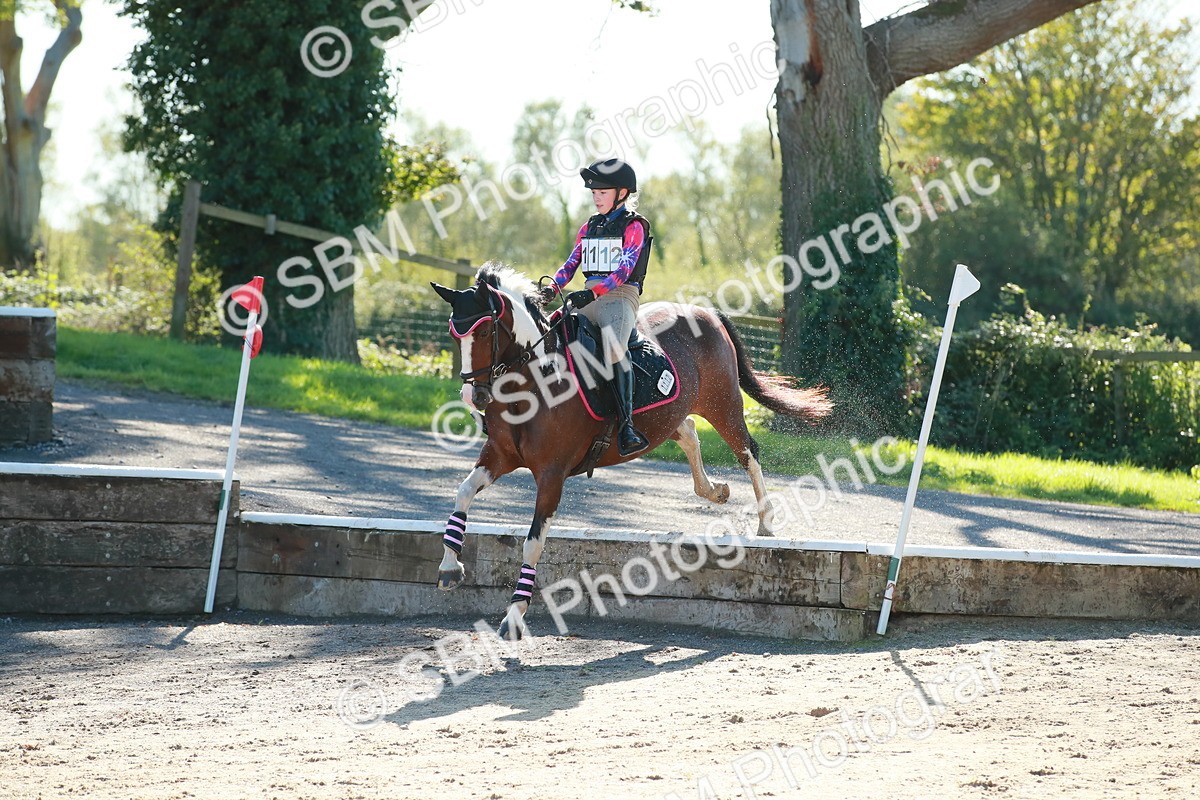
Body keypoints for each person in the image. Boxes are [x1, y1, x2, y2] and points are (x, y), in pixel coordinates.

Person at [540, 157, 652, 457]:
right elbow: (571, 263)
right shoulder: (589, 226)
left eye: (602, 192)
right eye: (594, 193)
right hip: (588, 296)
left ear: (622, 193)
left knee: (615, 348)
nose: (596, 197)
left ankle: (627, 426)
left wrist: (592, 294)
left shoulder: (634, 225)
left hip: (620, 297)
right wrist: (552, 288)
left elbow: (624, 270)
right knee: (544, 334)